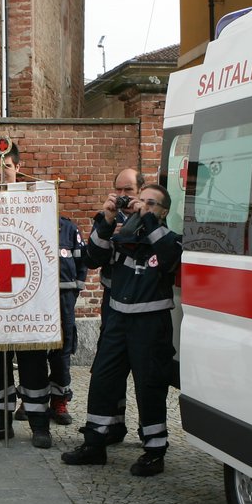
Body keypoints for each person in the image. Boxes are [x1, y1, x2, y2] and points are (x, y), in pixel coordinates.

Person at [63, 183, 182, 477]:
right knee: (103, 380)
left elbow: (170, 258)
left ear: (164, 212)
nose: (141, 206)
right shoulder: (122, 237)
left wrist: (149, 219)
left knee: (150, 386)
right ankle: (94, 444)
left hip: (151, 324)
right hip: (117, 320)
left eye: (150, 203)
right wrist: (106, 220)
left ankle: (154, 450)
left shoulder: (170, 238)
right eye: (139, 200)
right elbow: (92, 258)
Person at [0, 138, 54, 449]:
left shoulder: (36, 199)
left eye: (6, 166)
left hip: (28, 297)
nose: (1, 171)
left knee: (34, 365)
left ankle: (39, 426)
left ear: (18, 168)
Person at [86, 166, 143, 443]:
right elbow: (92, 258)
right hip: (112, 301)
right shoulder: (104, 218)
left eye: (128, 191)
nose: (122, 196)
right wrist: (107, 222)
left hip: (142, 304)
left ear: (140, 192)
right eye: (118, 190)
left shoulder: (150, 218)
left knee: (144, 372)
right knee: (108, 368)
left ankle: (149, 435)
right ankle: (111, 426)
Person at [47, 213, 86, 424]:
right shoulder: (29, 221)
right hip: (37, 298)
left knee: (62, 351)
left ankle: (59, 400)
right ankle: (31, 398)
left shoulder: (69, 229)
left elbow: (82, 262)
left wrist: (72, 292)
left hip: (64, 298)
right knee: (33, 350)